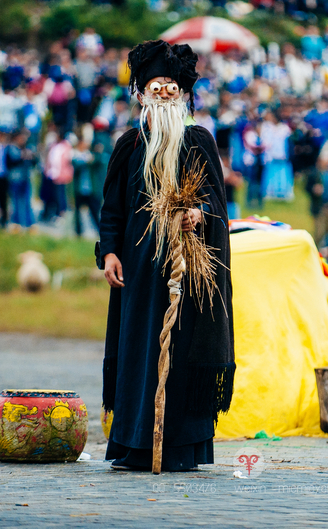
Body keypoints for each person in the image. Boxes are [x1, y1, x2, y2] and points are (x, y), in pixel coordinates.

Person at [98, 40, 233, 472]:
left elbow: (217, 204)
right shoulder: (129, 146)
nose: (163, 91)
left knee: (179, 351)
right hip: (137, 273)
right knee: (139, 350)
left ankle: (177, 448)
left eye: (170, 86)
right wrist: (110, 253)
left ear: (183, 95)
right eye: (154, 85)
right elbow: (111, 209)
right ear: (139, 93)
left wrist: (199, 213)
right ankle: (136, 444)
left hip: (185, 271)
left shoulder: (198, 141)